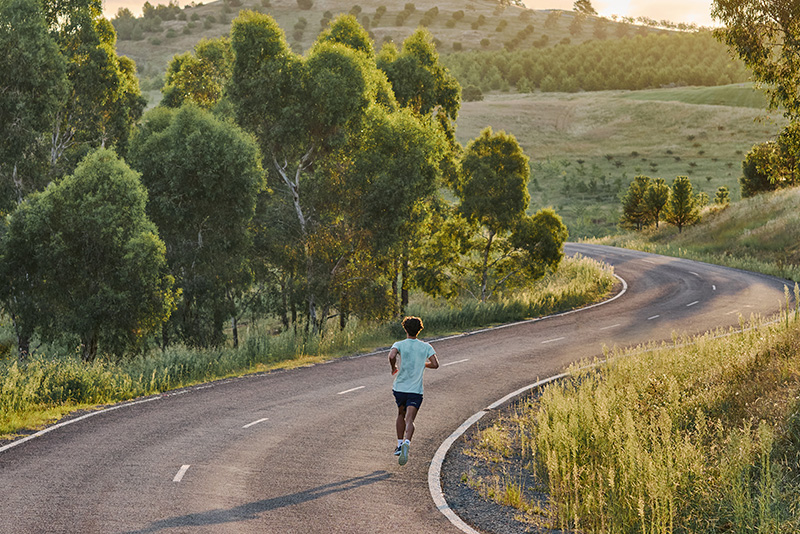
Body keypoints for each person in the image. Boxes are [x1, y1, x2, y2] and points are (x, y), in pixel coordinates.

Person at [388, 316, 439, 466]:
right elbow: (435, 364)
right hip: (415, 390)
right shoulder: (426, 347)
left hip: (400, 388)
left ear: (405, 329)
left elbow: (391, 355)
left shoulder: (399, 344)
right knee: (410, 419)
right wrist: (423, 363)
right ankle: (407, 443)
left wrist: (393, 368)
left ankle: (398, 445)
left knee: (400, 414)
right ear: (419, 330)